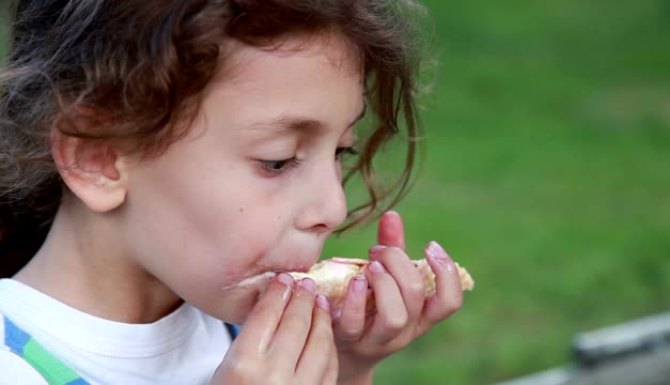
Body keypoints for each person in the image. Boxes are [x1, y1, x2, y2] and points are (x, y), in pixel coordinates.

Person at [0, 1, 465, 384]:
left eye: (341, 150)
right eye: (277, 160)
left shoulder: (242, 330)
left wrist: (346, 366)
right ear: (98, 158)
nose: (333, 207)